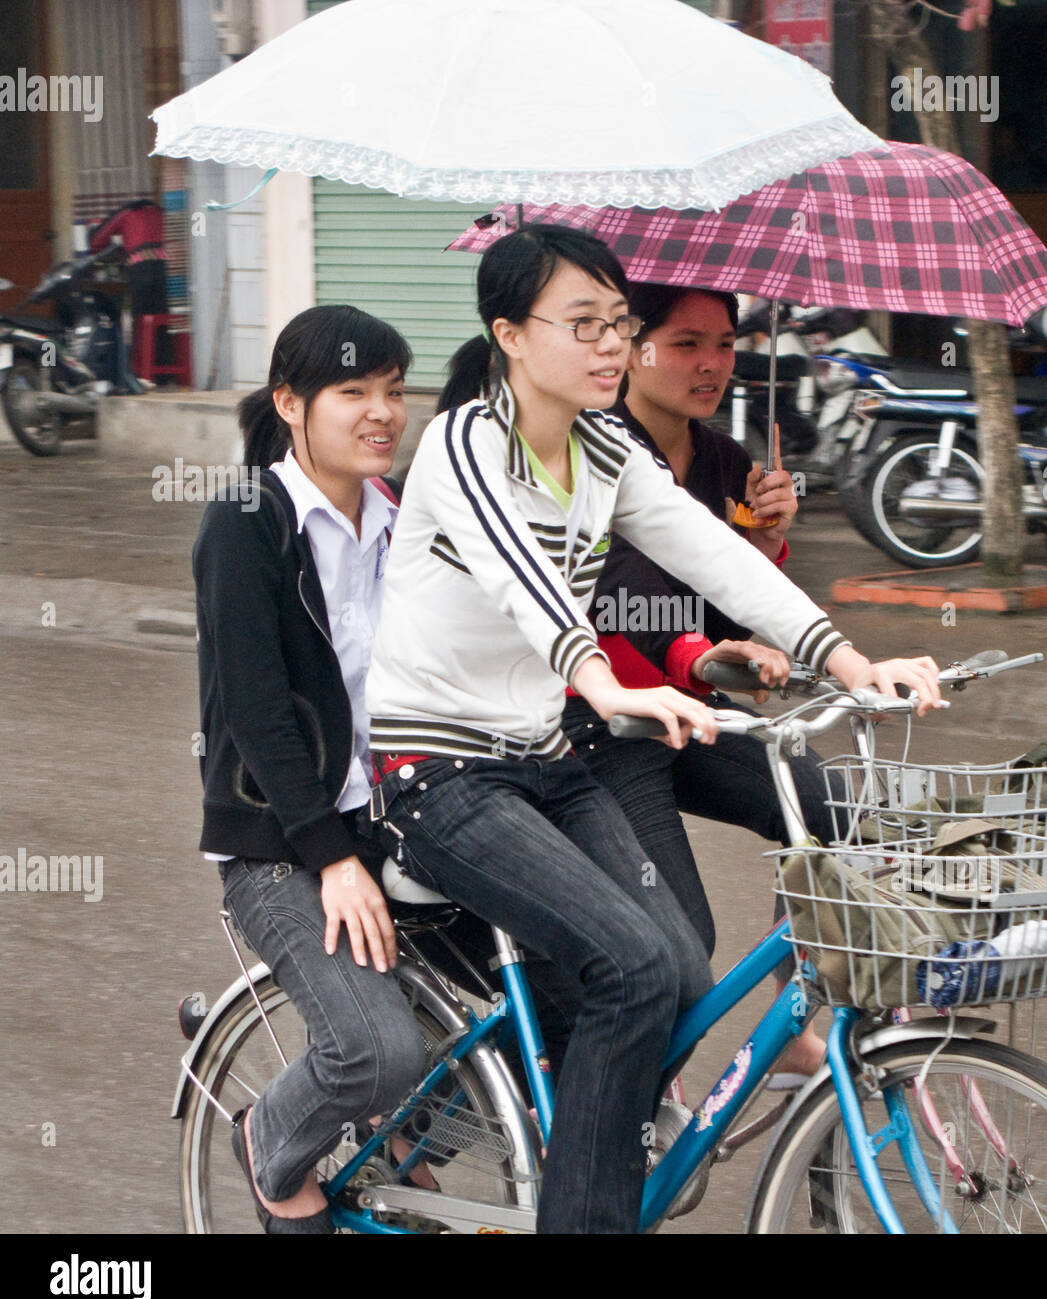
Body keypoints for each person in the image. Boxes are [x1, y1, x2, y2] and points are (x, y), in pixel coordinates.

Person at [365, 224, 941, 1234]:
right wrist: (610, 682)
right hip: (440, 774)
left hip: (544, 761)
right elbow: (528, 583)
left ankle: (570, 1134)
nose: (606, 347)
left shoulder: (604, 447)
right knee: (631, 966)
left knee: (675, 968)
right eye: (581, 324)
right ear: (508, 332)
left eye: (617, 325)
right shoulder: (467, 443)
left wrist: (852, 663)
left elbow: (718, 559)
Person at [192, 304, 428, 1233]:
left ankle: (411, 1146)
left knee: (561, 992)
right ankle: (272, 1134)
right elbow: (255, 716)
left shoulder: (402, 513)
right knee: (377, 1051)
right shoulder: (248, 521)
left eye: (395, 391)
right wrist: (330, 857)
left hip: (405, 819)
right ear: (291, 403)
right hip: (282, 841)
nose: (382, 412)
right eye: (353, 392)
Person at [559, 282, 833, 1083]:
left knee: (828, 807)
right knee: (683, 936)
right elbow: (623, 600)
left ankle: (793, 1020)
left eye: (723, 344)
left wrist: (768, 542)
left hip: (691, 709)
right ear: (630, 347)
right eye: (686, 344)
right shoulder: (594, 451)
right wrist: (710, 657)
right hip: (607, 723)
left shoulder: (722, 460)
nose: (711, 364)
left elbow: (721, 606)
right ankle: (642, 1082)